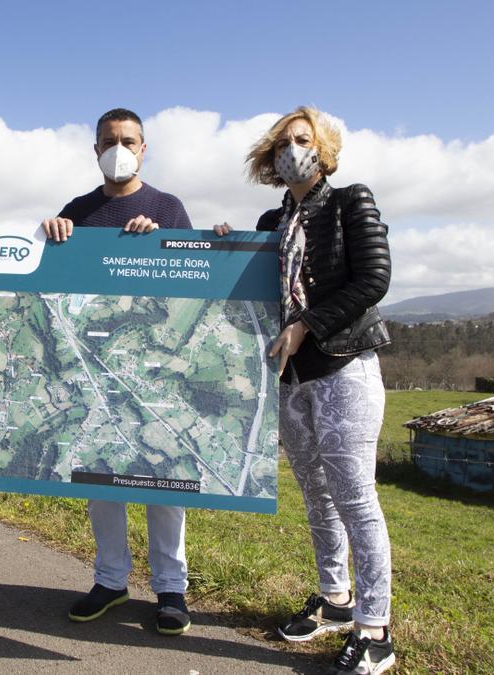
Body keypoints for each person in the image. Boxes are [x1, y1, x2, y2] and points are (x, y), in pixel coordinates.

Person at [216, 106, 395, 674]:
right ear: (270, 159)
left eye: (303, 139)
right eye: (283, 144)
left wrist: (307, 324)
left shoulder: (351, 202)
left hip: (344, 368)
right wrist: (225, 245)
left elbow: (374, 279)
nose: (293, 149)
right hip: (292, 379)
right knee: (318, 498)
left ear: (324, 149)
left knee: (355, 498)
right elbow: (252, 284)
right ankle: (336, 600)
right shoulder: (272, 221)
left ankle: (376, 628)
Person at [41, 108, 194, 635]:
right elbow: (56, 280)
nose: (119, 148)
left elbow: (192, 282)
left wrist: (158, 245)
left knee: (163, 476)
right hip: (94, 363)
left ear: (144, 147)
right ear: (95, 149)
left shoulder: (168, 208)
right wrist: (50, 233)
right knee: (100, 472)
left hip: (151, 364)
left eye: (128, 140)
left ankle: (171, 589)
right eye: (109, 141)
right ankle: (110, 579)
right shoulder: (78, 210)